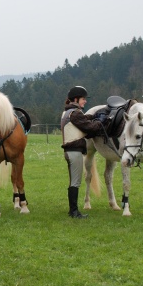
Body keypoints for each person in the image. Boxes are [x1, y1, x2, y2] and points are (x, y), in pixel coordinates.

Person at [61, 86, 105, 219]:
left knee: (73, 181)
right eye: (83, 99)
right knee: (75, 182)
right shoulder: (75, 113)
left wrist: (93, 115)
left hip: (70, 151)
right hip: (74, 151)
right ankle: (74, 212)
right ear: (76, 99)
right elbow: (89, 128)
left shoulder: (68, 112)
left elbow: (83, 120)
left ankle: (72, 210)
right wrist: (101, 121)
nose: (85, 101)